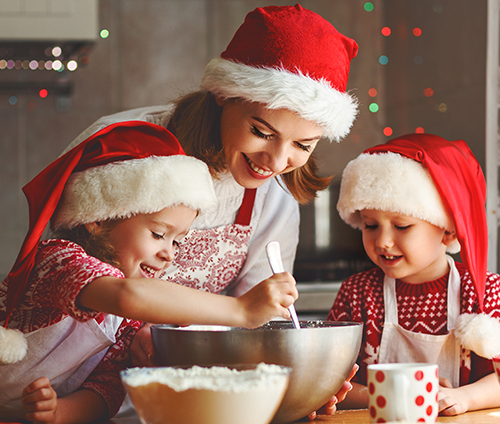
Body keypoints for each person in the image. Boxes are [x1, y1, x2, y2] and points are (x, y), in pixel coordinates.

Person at [65, 5, 361, 418]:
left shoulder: (272, 200)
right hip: (66, 396)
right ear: (223, 95)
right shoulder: (118, 147)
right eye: (261, 132)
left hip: (187, 403)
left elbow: (252, 326)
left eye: (303, 145)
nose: (276, 161)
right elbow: (54, 270)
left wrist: (298, 385)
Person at [0, 121, 299, 424]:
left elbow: (105, 389)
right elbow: (127, 296)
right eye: (159, 233)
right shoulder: (59, 260)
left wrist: (59, 412)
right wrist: (241, 312)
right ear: (98, 219)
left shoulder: (130, 317)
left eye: (177, 242)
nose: (168, 254)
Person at [328, 133, 500, 415]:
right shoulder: (357, 292)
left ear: (449, 229)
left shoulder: (481, 290)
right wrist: (398, 395)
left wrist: (464, 398)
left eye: (402, 226)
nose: (383, 241)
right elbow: (329, 384)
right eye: (370, 225)